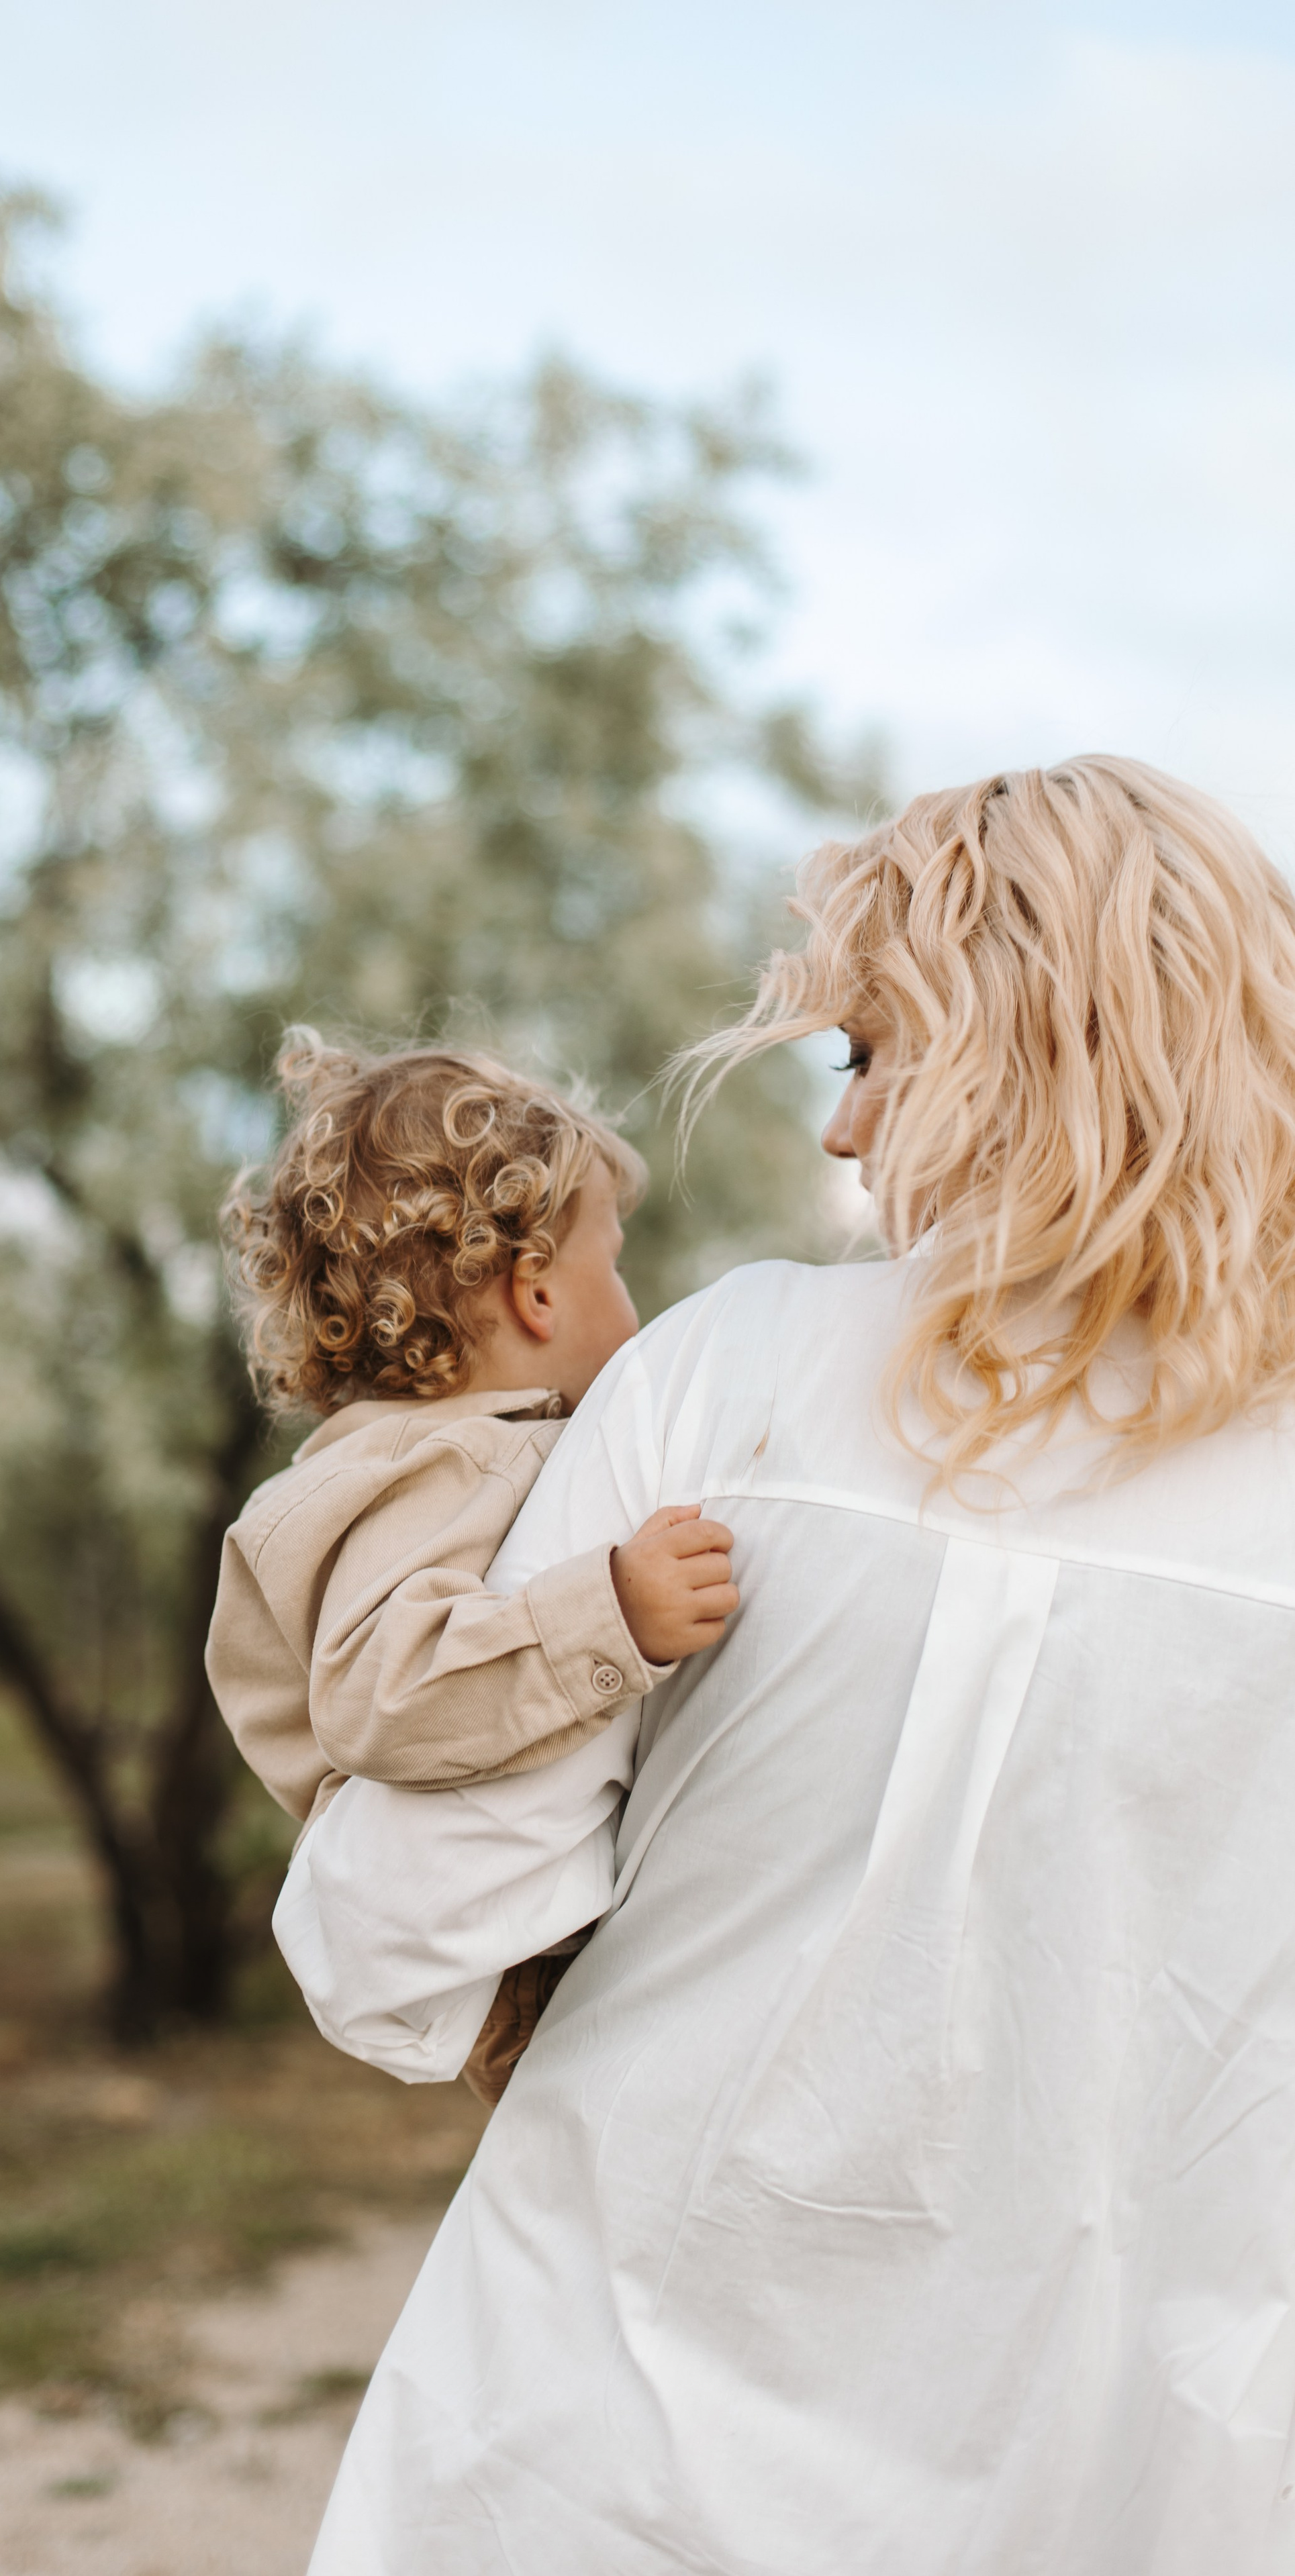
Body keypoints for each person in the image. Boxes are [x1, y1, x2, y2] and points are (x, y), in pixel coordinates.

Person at [279, 756, 1295, 2574]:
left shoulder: (721, 1372)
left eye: (872, 1052)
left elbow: (392, 1955)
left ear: (1029, 1048)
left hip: (600, 2444)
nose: (841, 1133)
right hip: (1142, 2469)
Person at [207, 1032, 736, 2101]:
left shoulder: (459, 1449)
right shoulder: (438, 1464)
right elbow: (382, 1690)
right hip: (509, 1962)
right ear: (536, 1289)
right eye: (614, 1259)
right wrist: (613, 1612)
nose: (627, 1296)